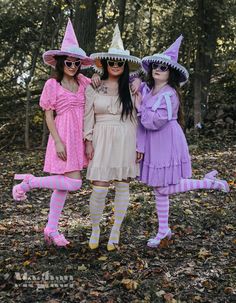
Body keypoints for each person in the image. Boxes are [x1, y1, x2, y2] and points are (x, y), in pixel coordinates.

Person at [134, 35, 229, 248]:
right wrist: (138, 81)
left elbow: (154, 122)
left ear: (171, 74)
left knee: (164, 187)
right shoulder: (150, 89)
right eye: (155, 66)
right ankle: (163, 229)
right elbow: (131, 81)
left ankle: (209, 184)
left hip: (166, 140)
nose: (158, 69)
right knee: (159, 189)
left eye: (163, 68)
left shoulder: (169, 95)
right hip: (154, 143)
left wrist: (140, 106)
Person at [12, 19, 93, 247]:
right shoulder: (52, 84)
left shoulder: (84, 82)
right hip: (62, 136)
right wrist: (57, 142)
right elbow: (49, 115)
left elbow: (102, 89)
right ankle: (30, 182)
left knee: (62, 186)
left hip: (79, 136)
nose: (73, 66)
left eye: (77, 62)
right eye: (68, 62)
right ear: (60, 62)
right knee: (74, 183)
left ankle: (51, 228)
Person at [84, 25, 142, 251]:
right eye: (112, 62)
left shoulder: (132, 88)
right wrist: (88, 140)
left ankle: (116, 229)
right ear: (105, 64)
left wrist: (139, 145)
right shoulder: (94, 87)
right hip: (101, 138)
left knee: (122, 185)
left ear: (125, 66)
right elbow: (88, 116)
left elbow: (139, 118)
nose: (116, 66)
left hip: (125, 138)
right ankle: (96, 228)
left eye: (120, 63)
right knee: (99, 187)